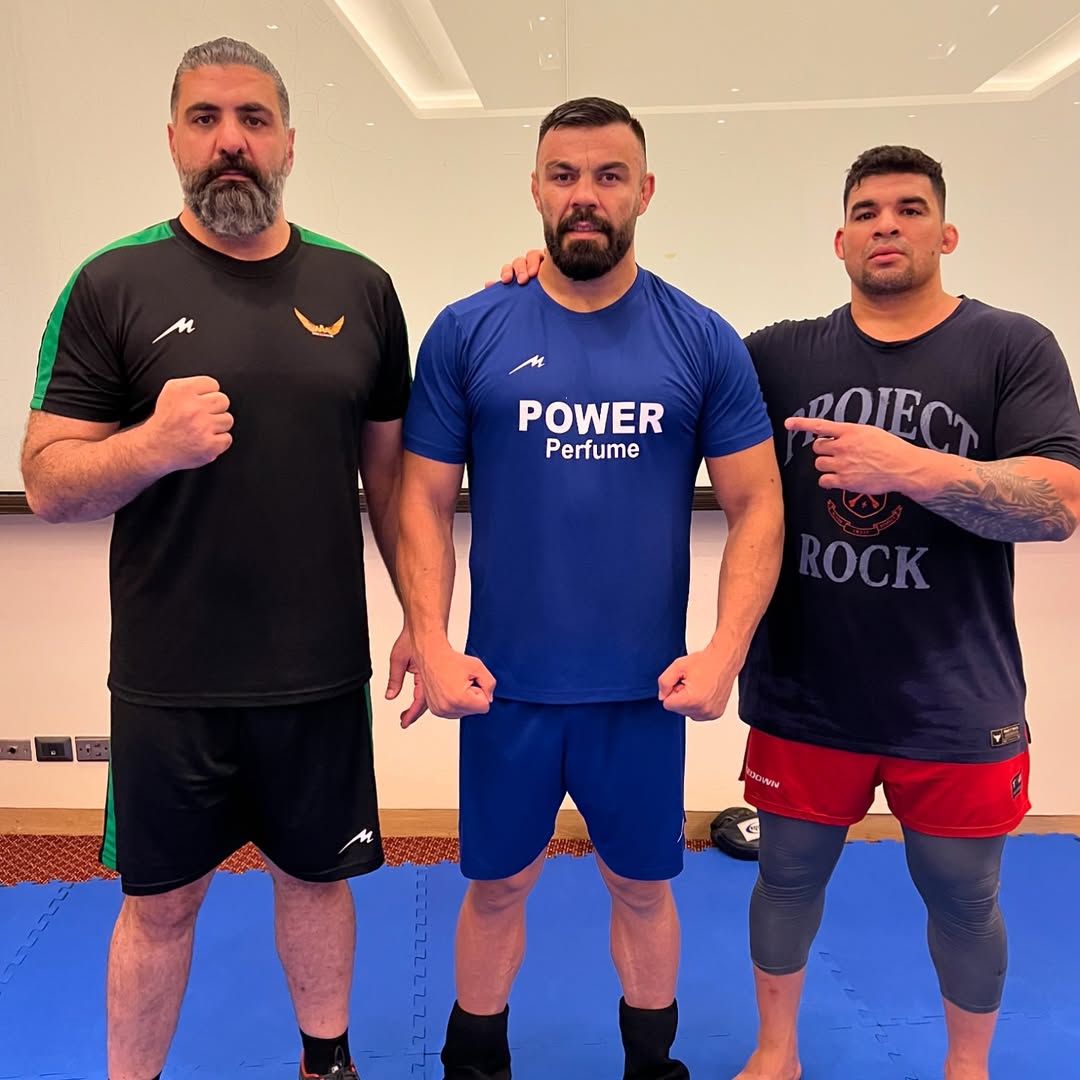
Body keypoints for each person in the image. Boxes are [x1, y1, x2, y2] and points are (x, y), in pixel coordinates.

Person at [495, 144, 1080, 1080]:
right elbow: (649, 360)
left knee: (965, 895)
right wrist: (552, 284)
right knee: (786, 879)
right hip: (808, 689)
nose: (887, 225)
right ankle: (776, 1054)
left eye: (911, 209)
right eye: (867, 211)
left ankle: (967, 1068)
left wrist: (911, 468)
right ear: (839, 240)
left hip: (957, 692)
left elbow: (1059, 504)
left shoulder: (1011, 346)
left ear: (946, 233)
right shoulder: (777, 354)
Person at [20, 37, 419, 1080]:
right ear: (173, 140)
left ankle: (327, 1063)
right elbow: (50, 482)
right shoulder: (111, 283)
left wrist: (424, 621)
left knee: (318, 881)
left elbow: (392, 487)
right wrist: (151, 445)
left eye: (252, 119)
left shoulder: (361, 287)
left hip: (318, 672)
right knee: (159, 904)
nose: (229, 140)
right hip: (171, 677)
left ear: (288, 140)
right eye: (205, 119)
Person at [397, 96, 784, 1080]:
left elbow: (759, 505)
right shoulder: (468, 330)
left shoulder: (701, 339)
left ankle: (651, 1067)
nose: (585, 195)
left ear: (644, 192)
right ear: (535, 188)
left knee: (645, 890)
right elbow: (422, 498)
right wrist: (430, 637)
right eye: (564, 175)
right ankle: (474, 1064)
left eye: (609, 176)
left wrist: (726, 651)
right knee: (495, 888)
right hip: (506, 688)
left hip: (643, 693)